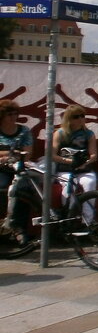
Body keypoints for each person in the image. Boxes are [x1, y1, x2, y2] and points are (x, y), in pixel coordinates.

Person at [53, 105, 98, 222]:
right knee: (69, 185)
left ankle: (88, 221)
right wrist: (70, 161)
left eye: (82, 116)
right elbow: (52, 155)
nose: (80, 119)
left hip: (84, 169)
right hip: (65, 169)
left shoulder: (89, 134)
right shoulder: (60, 133)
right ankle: (69, 218)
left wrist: (85, 163)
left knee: (90, 183)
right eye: (76, 117)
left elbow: (94, 155)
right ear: (69, 119)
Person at [0, 99, 34, 241]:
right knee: (2, 188)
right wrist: (13, 152)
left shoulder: (24, 130)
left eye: (15, 114)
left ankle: (19, 228)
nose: (14, 117)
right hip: (1, 168)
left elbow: (27, 152)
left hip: (18, 166)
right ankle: (5, 226)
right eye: (10, 114)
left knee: (25, 191)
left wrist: (5, 153)